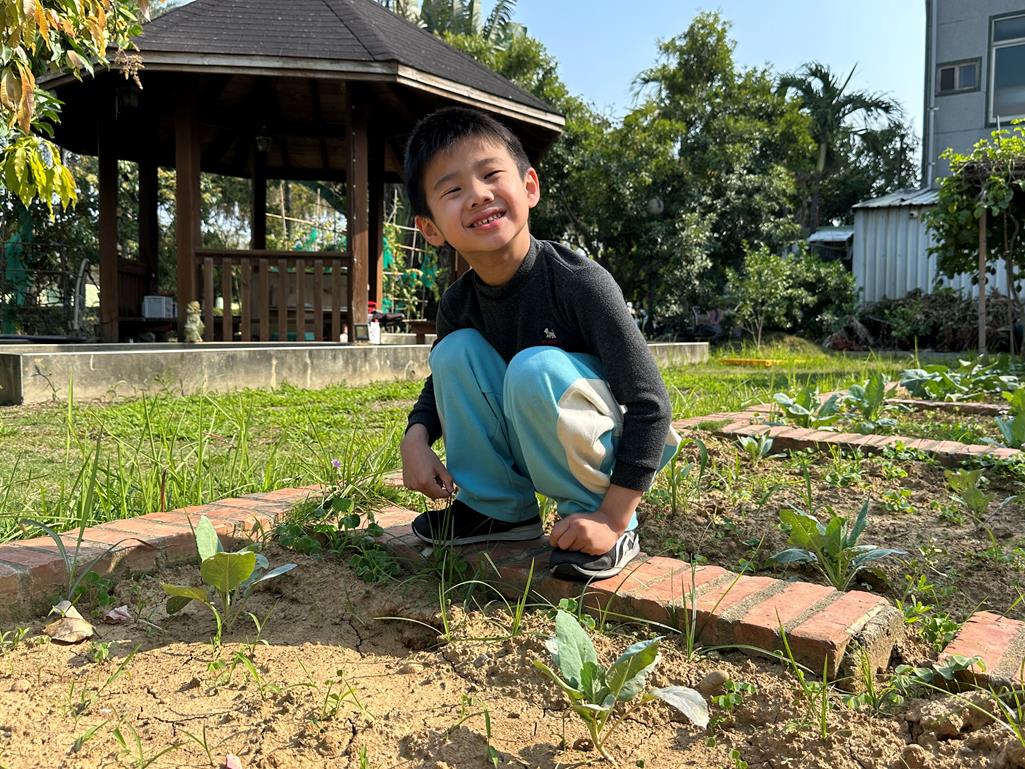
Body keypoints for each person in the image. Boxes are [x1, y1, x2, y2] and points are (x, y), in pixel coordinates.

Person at [400, 107, 679, 581]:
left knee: (535, 368)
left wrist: (613, 516)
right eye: (453, 190)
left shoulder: (580, 283)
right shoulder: (458, 303)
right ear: (430, 228)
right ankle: (497, 510)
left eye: (491, 175)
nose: (478, 195)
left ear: (529, 187)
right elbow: (439, 384)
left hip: (605, 450)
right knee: (453, 352)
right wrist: (416, 436)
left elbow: (651, 404)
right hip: (531, 434)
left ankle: (597, 516)